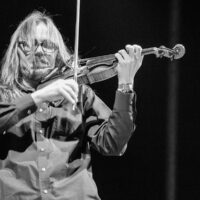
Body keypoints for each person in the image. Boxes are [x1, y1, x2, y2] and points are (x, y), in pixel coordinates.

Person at [0, 11, 143, 200]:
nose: (40, 51)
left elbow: (114, 145)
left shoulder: (79, 94)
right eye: (31, 44)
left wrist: (126, 83)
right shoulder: (4, 95)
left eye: (48, 45)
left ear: (58, 52)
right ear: (16, 51)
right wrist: (39, 97)